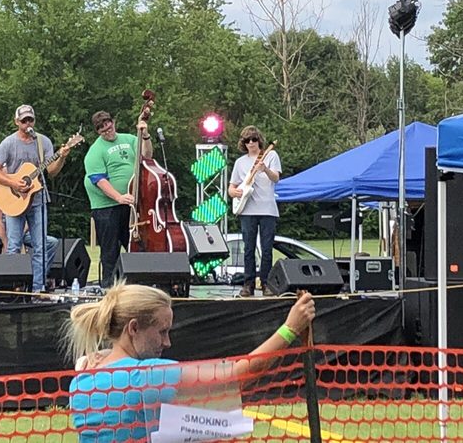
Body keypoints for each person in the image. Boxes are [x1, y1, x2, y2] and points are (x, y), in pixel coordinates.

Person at [65, 283, 315, 442]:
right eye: (162, 331)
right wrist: (290, 328)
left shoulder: (82, 381)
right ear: (133, 328)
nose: (167, 342)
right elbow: (240, 376)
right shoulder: (148, 375)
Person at [0, 104, 69, 293]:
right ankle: (12, 286)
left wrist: (62, 157)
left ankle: (37, 288)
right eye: (23, 120)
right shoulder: (8, 143)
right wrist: (13, 184)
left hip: (38, 200)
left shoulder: (43, 142)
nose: (27, 124)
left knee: (40, 246)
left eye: (30, 120)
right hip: (14, 200)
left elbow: (51, 171)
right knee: (14, 245)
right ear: (17, 122)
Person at [82, 109, 152, 287]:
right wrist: (118, 196)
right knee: (110, 251)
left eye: (109, 125)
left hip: (131, 203)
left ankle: (138, 286)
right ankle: (108, 288)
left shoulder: (129, 139)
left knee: (135, 246)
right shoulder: (95, 151)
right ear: (98, 131)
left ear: (113, 122)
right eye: (103, 129)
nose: (108, 130)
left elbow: (147, 155)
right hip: (106, 207)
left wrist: (145, 136)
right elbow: (99, 179)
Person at [228, 126, 282, 297]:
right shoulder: (240, 162)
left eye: (253, 139)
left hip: (267, 209)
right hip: (247, 209)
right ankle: (248, 284)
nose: (251, 143)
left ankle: (266, 283)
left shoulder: (271, 155)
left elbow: (276, 178)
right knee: (248, 248)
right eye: (247, 140)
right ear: (243, 143)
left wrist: (264, 169)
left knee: (266, 249)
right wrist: (233, 192)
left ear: (259, 140)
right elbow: (232, 186)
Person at [0, 189, 40, 254]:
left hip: (20, 229)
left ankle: (38, 263)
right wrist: (6, 244)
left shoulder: (23, 191)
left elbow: (29, 220)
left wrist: (18, 235)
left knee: (50, 243)